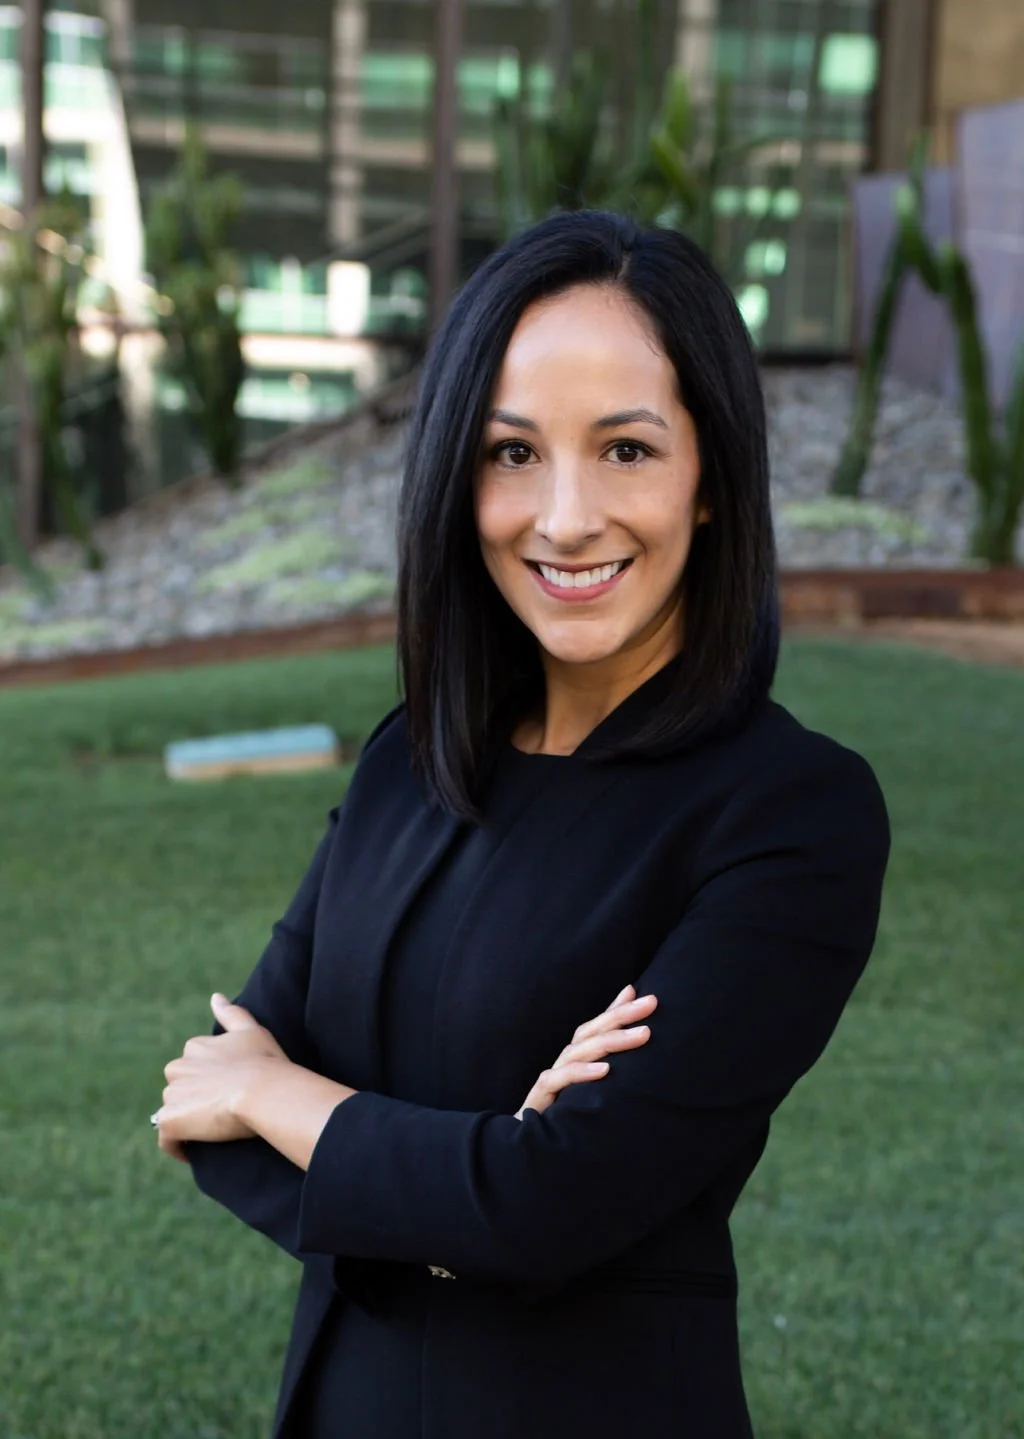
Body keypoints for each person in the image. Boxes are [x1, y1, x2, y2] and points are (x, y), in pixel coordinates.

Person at [154, 209, 890, 1438]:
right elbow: (203, 1109)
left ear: (711, 477)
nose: (563, 517)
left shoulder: (789, 813)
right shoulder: (408, 761)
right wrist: (476, 1186)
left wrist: (291, 1105)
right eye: (511, 453)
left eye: (626, 449)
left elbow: (545, 1204)